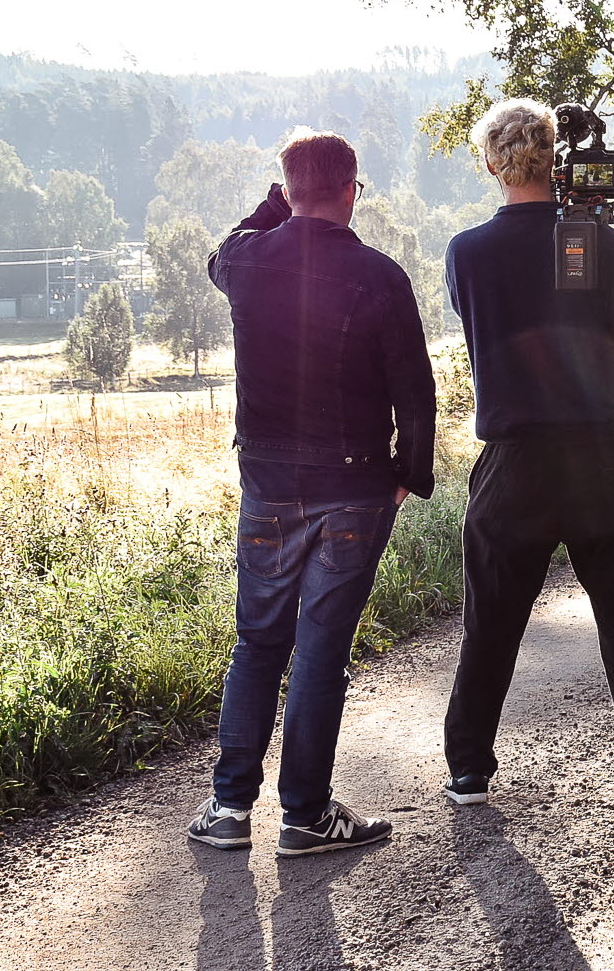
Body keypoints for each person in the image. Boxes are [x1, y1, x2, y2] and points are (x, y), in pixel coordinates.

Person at [439, 97, 614, 808]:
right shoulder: (593, 244)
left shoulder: (465, 252)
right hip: (600, 459)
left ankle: (468, 768)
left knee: (490, 624)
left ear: (492, 164)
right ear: (554, 157)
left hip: (513, 462)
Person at [188, 129, 435, 857]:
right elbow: (414, 389)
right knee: (322, 650)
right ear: (352, 191)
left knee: (258, 641)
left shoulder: (244, 261)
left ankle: (228, 809)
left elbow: (221, 250)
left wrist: (275, 205)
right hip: (355, 484)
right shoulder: (381, 275)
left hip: (267, 481)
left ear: (289, 189)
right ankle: (305, 816)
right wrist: (407, 475)